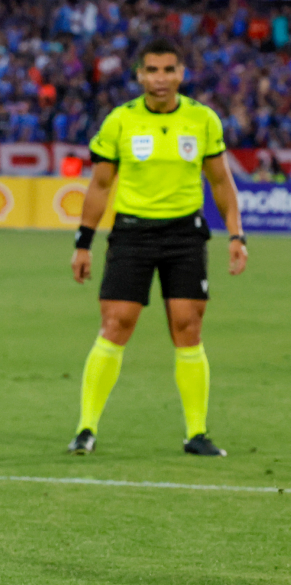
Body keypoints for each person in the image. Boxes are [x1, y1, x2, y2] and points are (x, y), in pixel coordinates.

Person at [68, 38, 247, 457]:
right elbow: (99, 185)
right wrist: (83, 244)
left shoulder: (202, 120)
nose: (160, 78)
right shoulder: (120, 121)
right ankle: (86, 428)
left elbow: (222, 183)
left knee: (188, 327)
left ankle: (196, 433)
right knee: (116, 324)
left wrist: (236, 236)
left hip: (185, 235)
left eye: (169, 70)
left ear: (181, 74)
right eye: (152, 70)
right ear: (140, 75)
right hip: (131, 233)